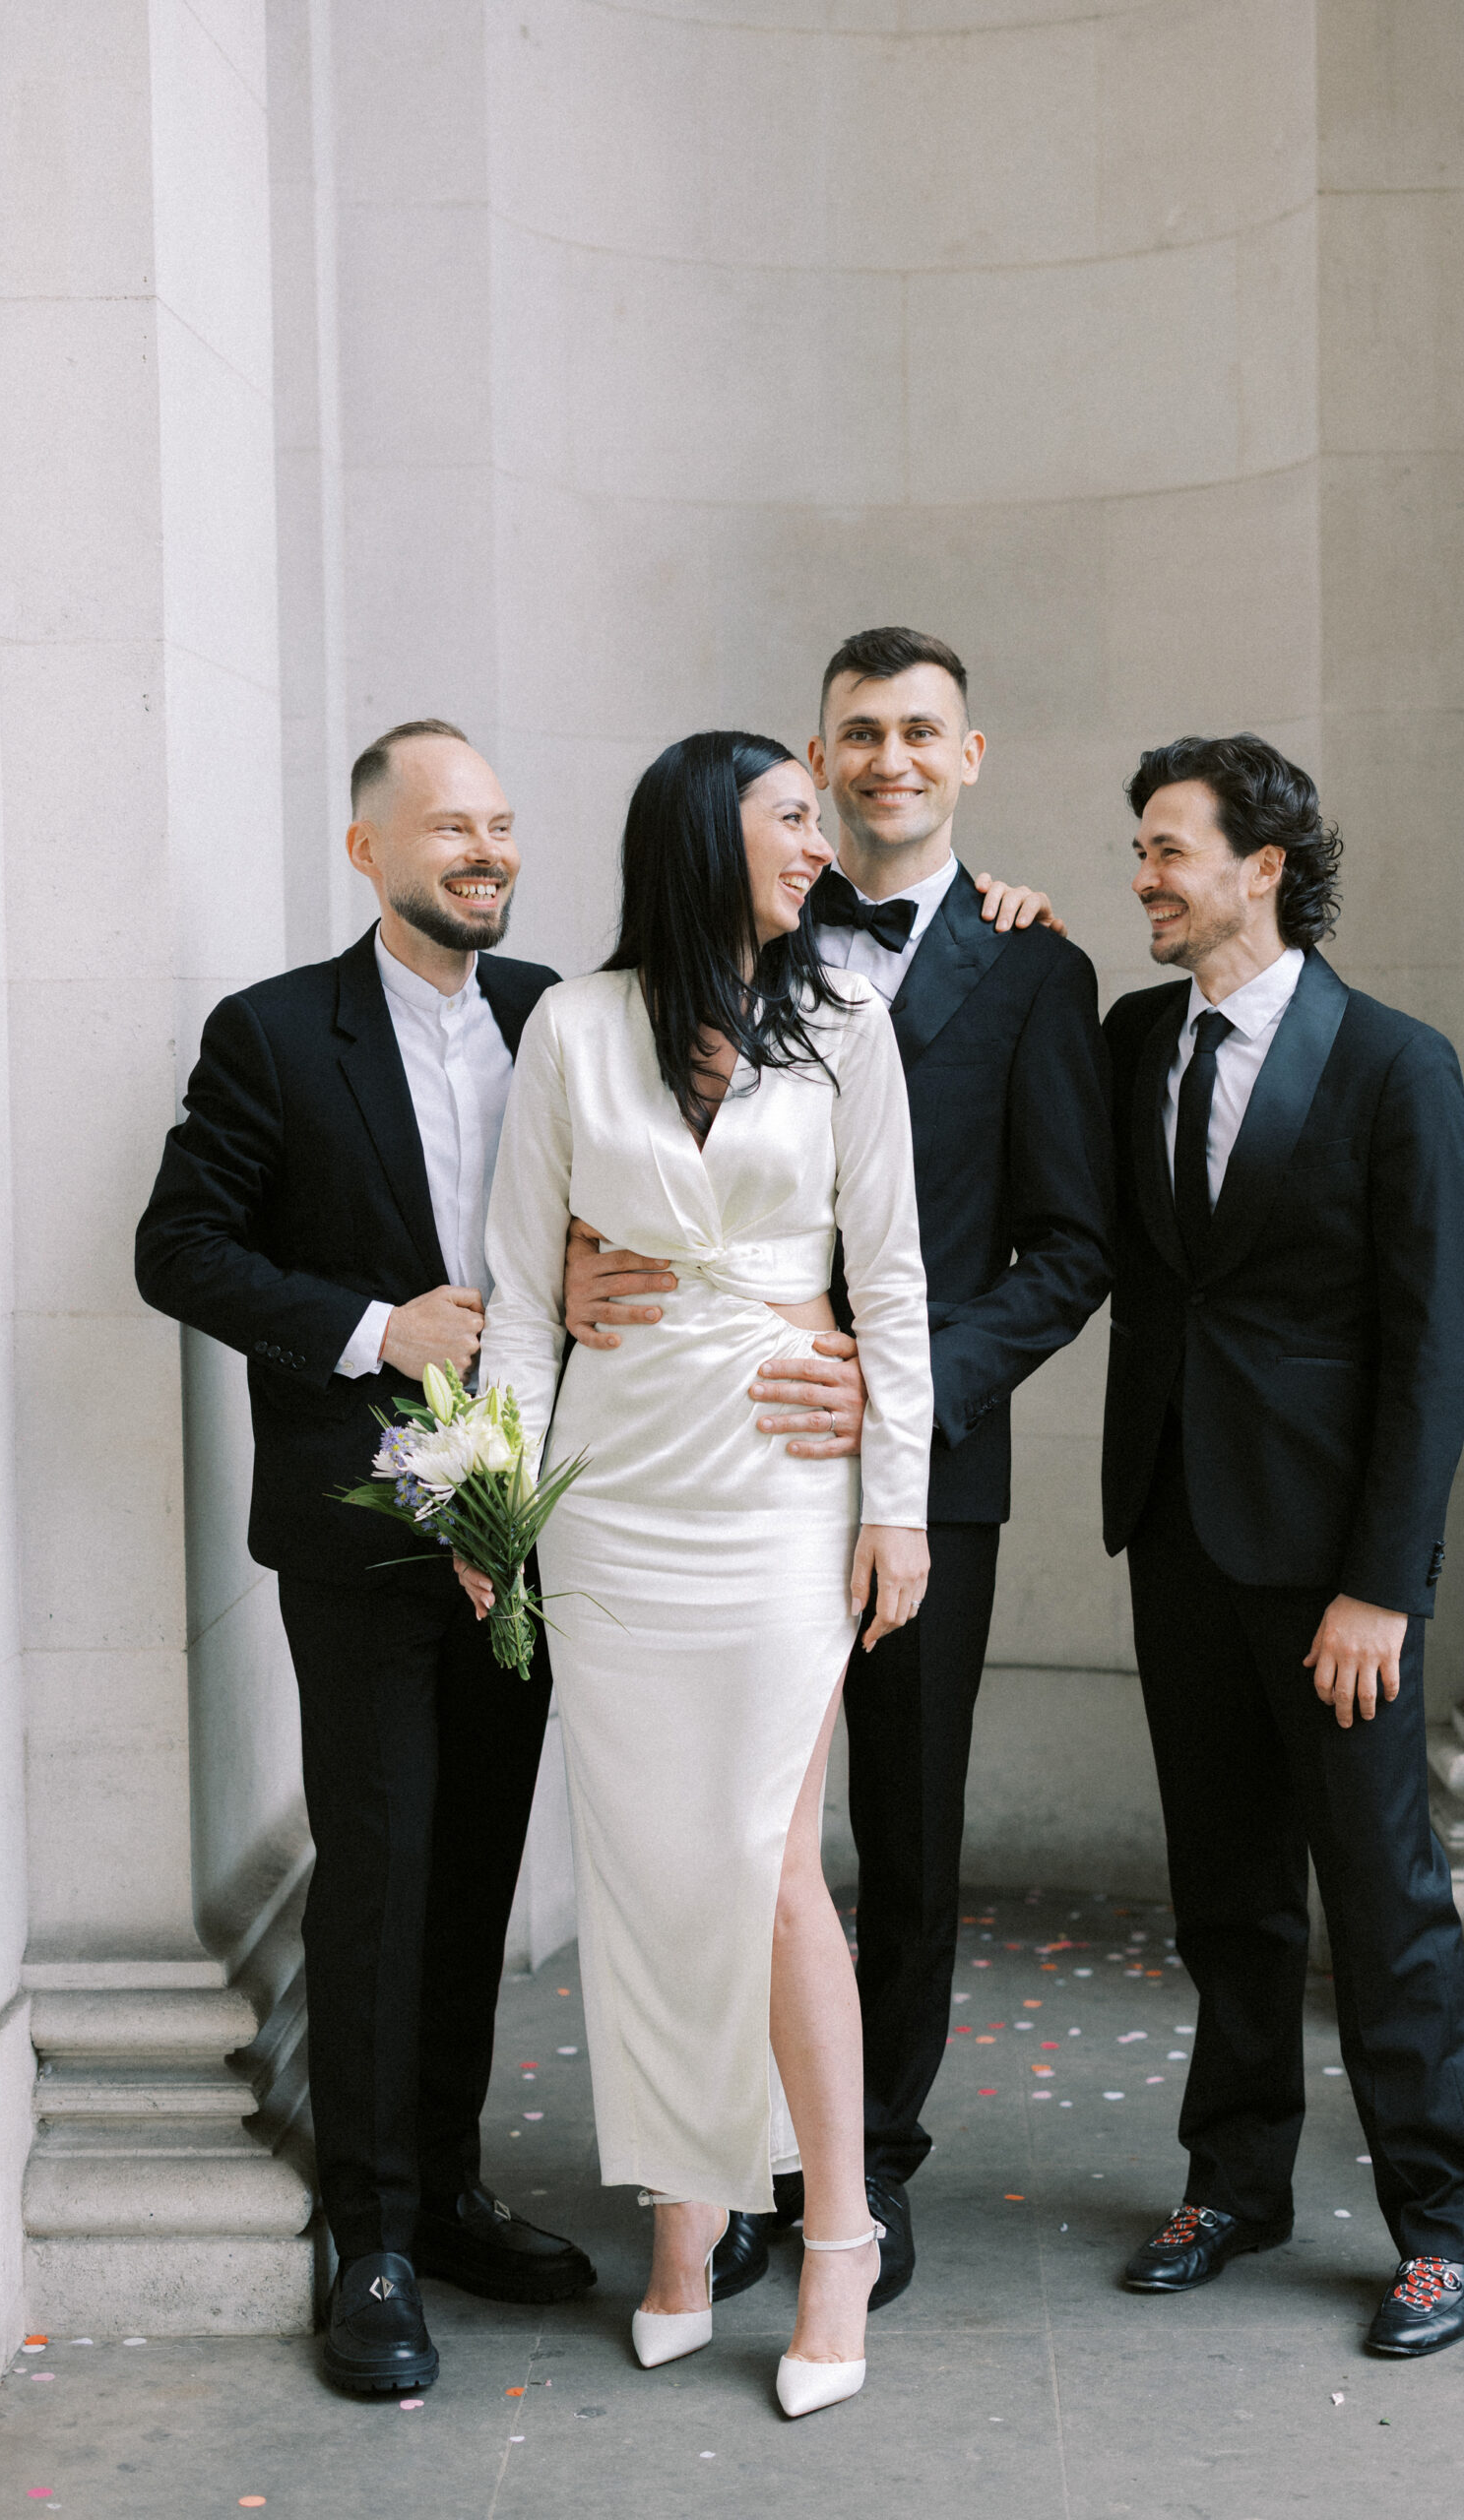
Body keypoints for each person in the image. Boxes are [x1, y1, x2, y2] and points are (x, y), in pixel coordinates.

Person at [562, 629, 1114, 2305]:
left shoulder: (1034, 968)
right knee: (736, 1834)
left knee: (907, 1826)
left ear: (969, 757)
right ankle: (737, 2171)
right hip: (708, 1475)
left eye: (917, 733)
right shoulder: (693, 978)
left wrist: (900, 1389)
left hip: (912, 1467)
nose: (885, 762)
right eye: (854, 738)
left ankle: (865, 2166)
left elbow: (1072, 1247)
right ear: (814, 764)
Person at [467, 728, 933, 2419]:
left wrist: (903, 1504)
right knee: (650, 1873)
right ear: (701, 835)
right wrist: (497, 1521)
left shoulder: (849, 1019)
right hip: (614, 1503)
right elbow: (522, 1296)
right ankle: (682, 2222)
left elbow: (889, 1282)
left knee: (769, 1863)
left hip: (783, 1497)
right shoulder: (573, 1027)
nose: (820, 846)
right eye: (791, 820)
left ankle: (833, 2241)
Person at [134, 721, 597, 2398]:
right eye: (448, 827)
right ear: (368, 852)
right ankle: (372, 2236)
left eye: (501, 824)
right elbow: (177, 1247)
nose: (485, 851)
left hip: (529, 1520)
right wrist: (371, 1328)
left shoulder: (564, 1011)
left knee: (477, 1864)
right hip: (362, 1528)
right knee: (383, 1865)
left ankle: (451, 2184)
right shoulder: (271, 1035)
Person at [1100, 733, 1464, 2358]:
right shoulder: (1137, 1037)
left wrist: (1381, 1588)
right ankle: (1236, 2179)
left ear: (1262, 867)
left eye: (1168, 850)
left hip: (1333, 1573)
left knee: (1384, 1894)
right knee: (1228, 1893)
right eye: (1137, 850)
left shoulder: (1397, 1065)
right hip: (1178, 1538)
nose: (1146, 875)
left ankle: (1446, 2222)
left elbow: (1434, 1349)